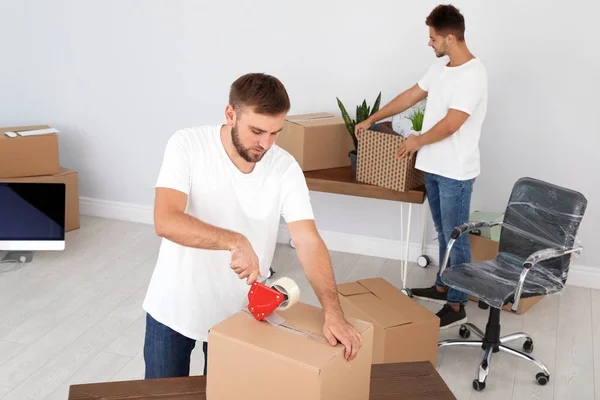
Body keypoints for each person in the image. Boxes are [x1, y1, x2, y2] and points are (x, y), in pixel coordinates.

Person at [142, 72, 363, 379]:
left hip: (240, 313)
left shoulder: (285, 168)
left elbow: (308, 242)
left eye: (275, 133)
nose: (266, 144)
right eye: (257, 131)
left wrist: (333, 313)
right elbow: (165, 220)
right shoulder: (187, 144)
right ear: (230, 114)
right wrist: (235, 241)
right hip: (173, 305)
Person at [355, 4, 488, 330]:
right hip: (433, 167)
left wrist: (417, 140)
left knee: (457, 239)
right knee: (444, 233)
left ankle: (457, 303)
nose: (430, 44)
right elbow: (410, 96)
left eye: (433, 38)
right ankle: (443, 285)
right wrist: (373, 118)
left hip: (456, 172)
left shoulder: (473, 74)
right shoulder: (441, 69)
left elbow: (453, 123)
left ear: (451, 37)